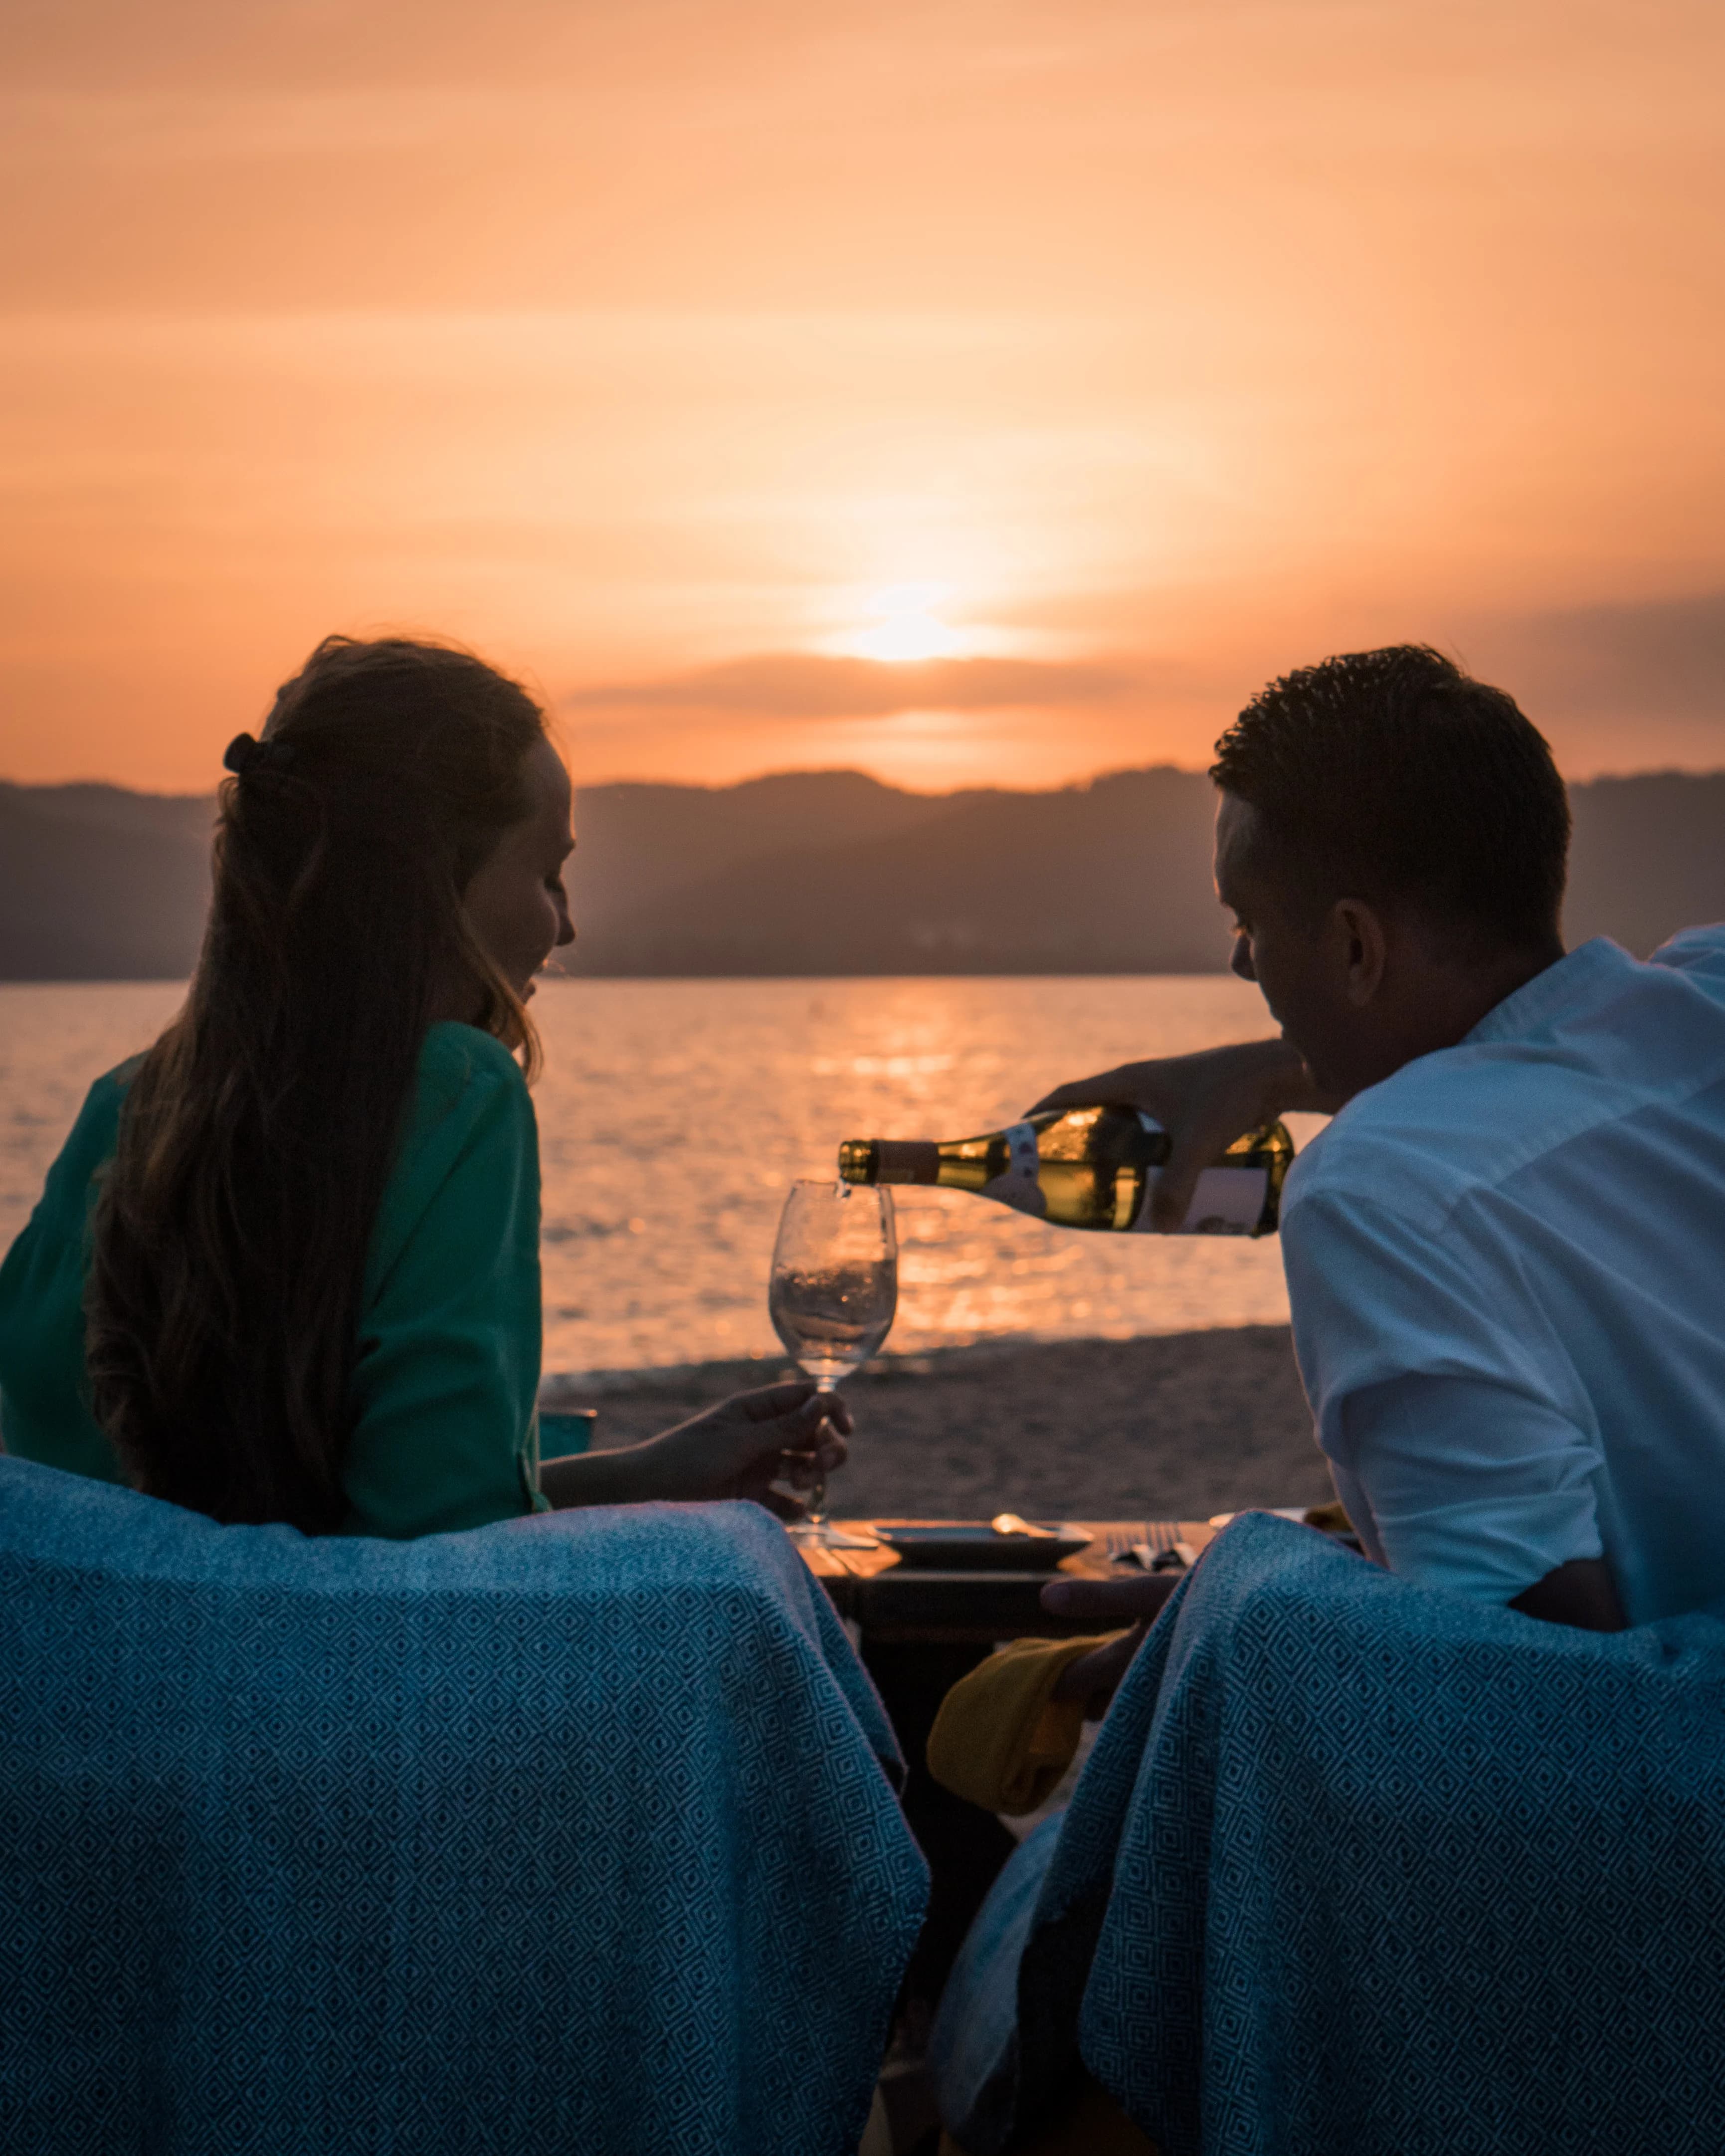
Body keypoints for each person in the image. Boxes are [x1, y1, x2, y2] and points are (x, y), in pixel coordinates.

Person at [0, 634, 848, 1537]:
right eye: (548, 874)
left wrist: (647, 1477)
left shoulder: (124, 1107)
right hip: (320, 1676)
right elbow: (445, 1568)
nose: (565, 928)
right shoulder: (454, 1093)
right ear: (431, 887)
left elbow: (315, 1538)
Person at [1025, 641, 1725, 1702]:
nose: (1237, 962)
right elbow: (1554, 1062)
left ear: (1352, 943)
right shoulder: (1705, 992)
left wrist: (1254, 1616)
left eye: (1245, 922)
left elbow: (1519, 1678)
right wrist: (1270, 1070)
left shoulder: (1378, 1190)